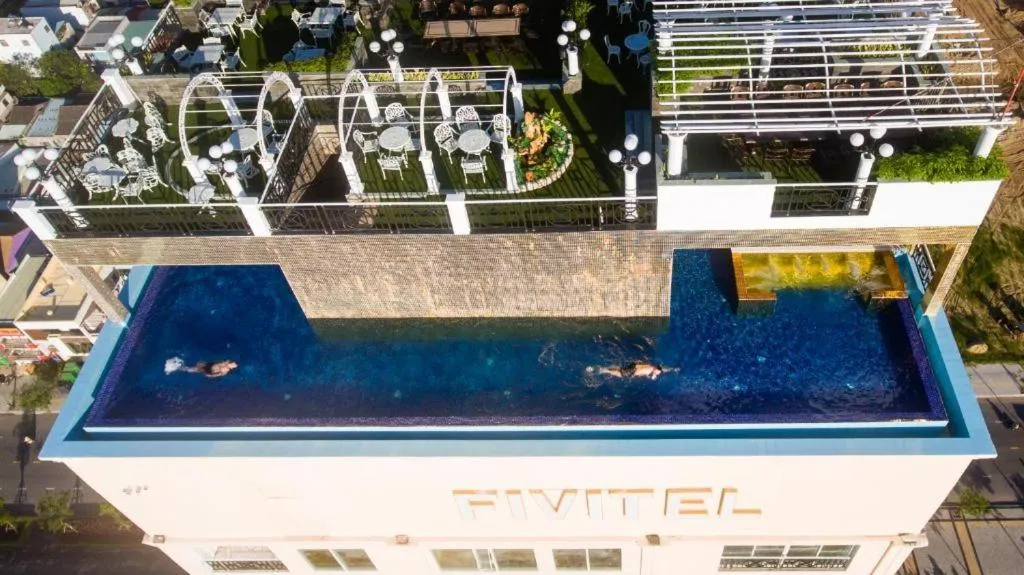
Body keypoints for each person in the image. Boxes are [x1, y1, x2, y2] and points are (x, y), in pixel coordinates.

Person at [587, 361, 675, 380]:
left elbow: (638, 363)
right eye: (659, 373)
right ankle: (599, 370)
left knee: (619, 368)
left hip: (634, 365)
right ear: (656, 369)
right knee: (617, 373)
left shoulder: (651, 366)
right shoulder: (649, 371)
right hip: (632, 371)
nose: (659, 374)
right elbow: (637, 372)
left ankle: (604, 367)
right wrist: (633, 376)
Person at [165, 357, 238, 378]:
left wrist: (210, 376)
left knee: (193, 369)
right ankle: (179, 365)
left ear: (232, 368)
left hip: (209, 370)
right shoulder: (226, 362)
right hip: (209, 365)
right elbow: (218, 361)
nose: (232, 364)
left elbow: (217, 375)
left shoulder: (226, 371)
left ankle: (177, 368)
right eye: (233, 363)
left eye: (233, 365)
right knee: (197, 365)